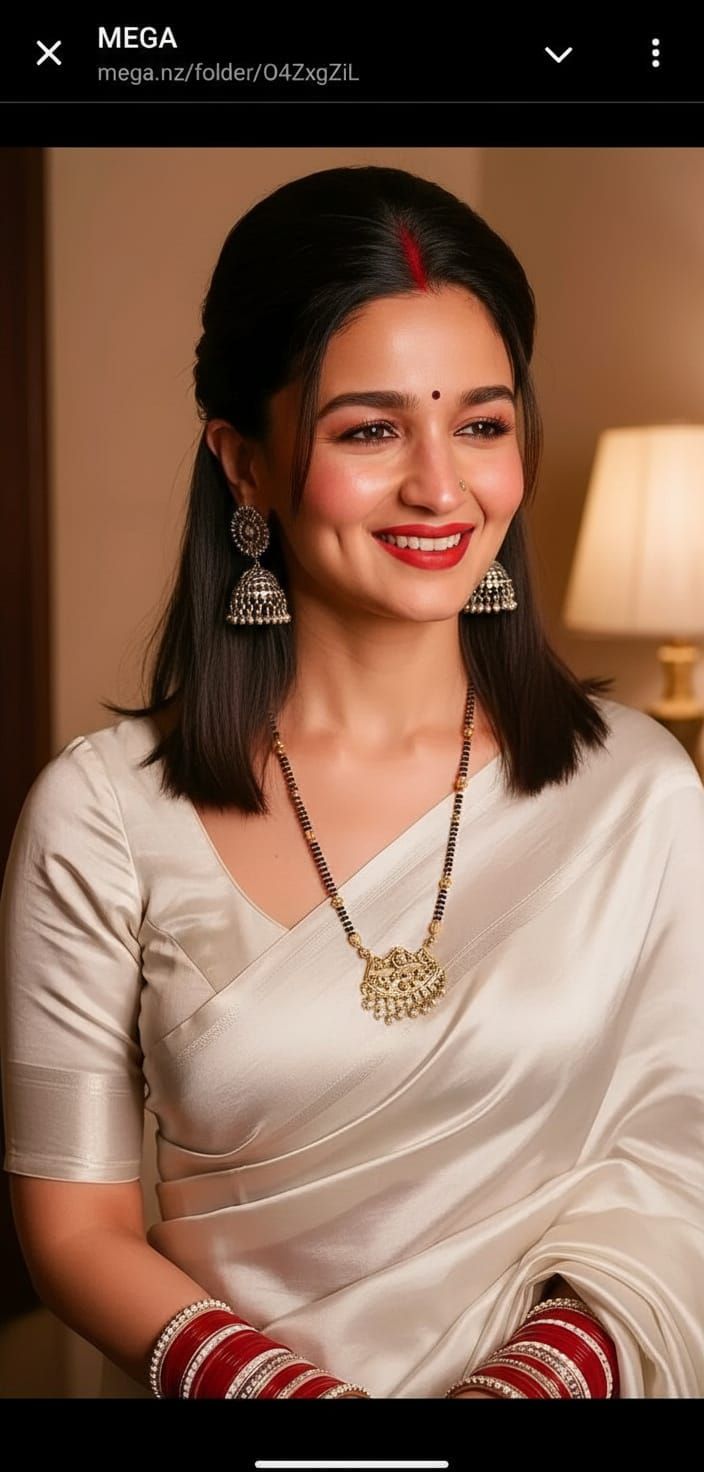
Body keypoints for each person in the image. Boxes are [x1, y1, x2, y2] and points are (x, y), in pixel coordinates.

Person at [1, 164, 703, 1401]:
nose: (441, 486)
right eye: (370, 429)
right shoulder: (102, 816)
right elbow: (75, 1225)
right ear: (246, 463)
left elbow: (675, 1156)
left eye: (480, 424)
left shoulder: (636, 791)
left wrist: (525, 1388)